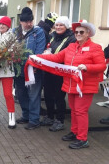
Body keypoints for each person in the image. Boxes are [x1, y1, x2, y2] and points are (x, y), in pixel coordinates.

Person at [37, 20, 106, 149]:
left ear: (88, 34)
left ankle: (82, 139)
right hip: (71, 84)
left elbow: (101, 66)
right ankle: (75, 132)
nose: (78, 34)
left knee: (80, 111)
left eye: (81, 32)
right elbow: (57, 58)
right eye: (76, 32)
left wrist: (87, 67)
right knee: (74, 111)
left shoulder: (95, 48)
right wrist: (38, 57)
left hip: (85, 86)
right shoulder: (71, 46)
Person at [41, 16, 76, 132]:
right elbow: (48, 48)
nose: (58, 27)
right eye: (56, 25)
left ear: (66, 26)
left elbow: (66, 55)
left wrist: (50, 56)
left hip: (61, 72)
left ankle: (60, 120)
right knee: (47, 95)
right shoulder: (52, 36)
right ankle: (50, 117)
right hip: (49, 70)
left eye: (61, 25)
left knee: (59, 97)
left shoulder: (72, 38)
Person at [13, 7, 46, 130]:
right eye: (26, 22)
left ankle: (34, 120)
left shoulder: (38, 32)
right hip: (18, 69)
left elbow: (39, 50)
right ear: (21, 21)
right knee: (21, 94)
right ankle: (25, 116)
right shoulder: (15, 32)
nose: (29, 24)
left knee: (33, 95)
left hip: (33, 69)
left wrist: (34, 64)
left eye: (31, 21)